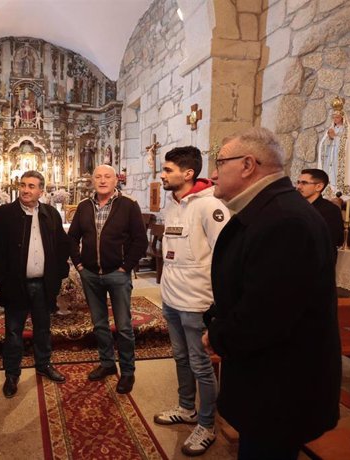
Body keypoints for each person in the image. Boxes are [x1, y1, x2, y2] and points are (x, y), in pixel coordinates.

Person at [204, 127, 341, 459]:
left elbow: (265, 316)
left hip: (281, 388)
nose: (213, 173)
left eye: (220, 162)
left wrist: (217, 336)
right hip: (270, 381)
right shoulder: (271, 210)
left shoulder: (284, 220)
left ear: (248, 164)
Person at [154, 146, 229, 457]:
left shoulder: (210, 206)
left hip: (197, 300)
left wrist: (217, 303)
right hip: (171, 297)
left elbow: (226, 255)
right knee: (180, 357)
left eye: (168, 170)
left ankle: (207, 424)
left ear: (187, 173)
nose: (162, 174)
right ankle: (187, 408)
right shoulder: (174, 204)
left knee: (200, 364)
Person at [0, 170, 70, 398]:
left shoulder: (51, 214)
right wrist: (1, 277)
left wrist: (59, 274)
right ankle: (12, 374)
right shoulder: (4, 214)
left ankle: (44, 364)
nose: (25, 190)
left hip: (44, 284)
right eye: (23, 185)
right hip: (15, 285)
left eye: (31, 186)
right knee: (13, 332)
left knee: (43, 329)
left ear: (41, 190)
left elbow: (62, 246)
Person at [67, 164, 148, 394]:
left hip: (117, 274)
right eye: (98, 177)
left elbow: (139, 240)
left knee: (123, 326)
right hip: (91, 273)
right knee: (100, 323)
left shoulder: (128, 205)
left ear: (116, 180)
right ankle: (107, 364)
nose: (102, 180)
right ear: (92, 180)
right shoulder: (83, 207)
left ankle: (128, 372)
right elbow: (72, 238)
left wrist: (125, 267)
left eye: (107, 177)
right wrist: (79, 264)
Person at [317, 96, 350, 200]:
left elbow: (348, 145)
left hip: (339, 161)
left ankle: (338, 192)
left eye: (337, 117)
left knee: (336, 177)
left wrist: (335, 137)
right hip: (330, 159)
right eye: (334, 117)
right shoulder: (331, 129)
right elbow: (322, 145)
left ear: (342, 117)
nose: (335, 119)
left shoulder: (346, 129)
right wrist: (329, 138)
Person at [296, 168, 344, 251]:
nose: (298, 187)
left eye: (304, 183)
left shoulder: (330, 210)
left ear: (319, 186)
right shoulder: (295, 207)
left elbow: (332, 240)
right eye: (298, 182)